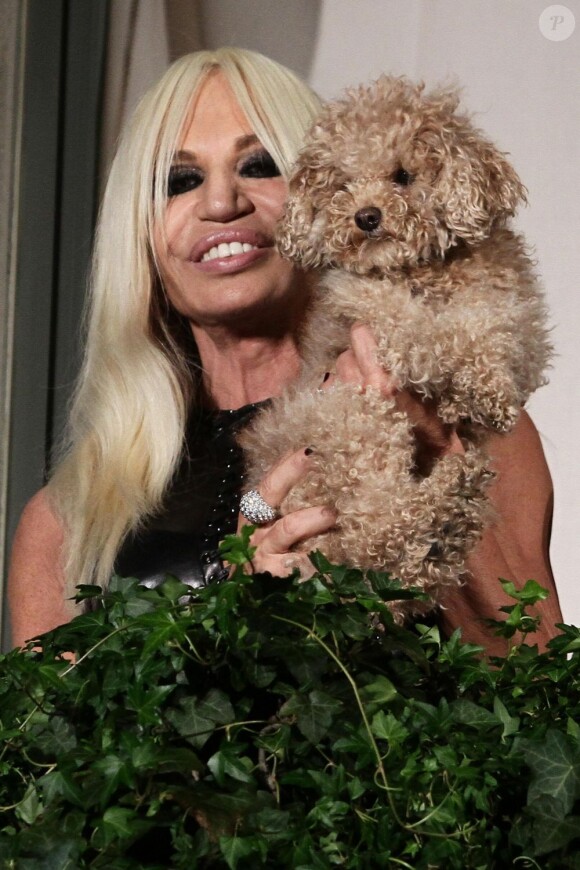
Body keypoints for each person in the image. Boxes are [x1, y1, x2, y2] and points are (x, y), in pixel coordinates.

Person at [8, 48, 562, 656]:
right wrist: (238, 610)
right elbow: (54, 747)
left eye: (259, 164)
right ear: (139, 233)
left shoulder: (476, 421)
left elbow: (533, 687)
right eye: (179, 180)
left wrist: (428, 448)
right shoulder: (67, 517)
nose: (222, 203)